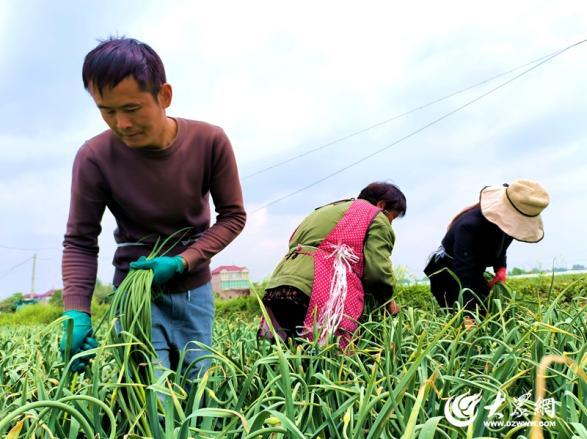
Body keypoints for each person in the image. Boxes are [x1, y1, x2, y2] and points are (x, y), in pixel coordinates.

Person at [59, 37, 246, 376]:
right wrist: (77, 311)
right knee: (150, 401)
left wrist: (181, 262)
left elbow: (233, 217)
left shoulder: (209, 141)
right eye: (107, 111)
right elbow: (79, 241)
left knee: (196, 392)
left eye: (131, 109)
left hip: (194, 291)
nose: (121, 124)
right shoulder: (94, 158)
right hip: (133, 294)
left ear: (164, 95)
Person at [258, 182, 406, 348]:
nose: (390, 224)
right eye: (392, 218)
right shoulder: (375, 216)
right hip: (318, 287)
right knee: (331, 357)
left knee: (287, 352)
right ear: (382, 205)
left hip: (281, 284)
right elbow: (377, 272)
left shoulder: (323, 211)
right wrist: (387, 299)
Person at [424, 179, 549, 314]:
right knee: (466, 318)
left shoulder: (506, 226)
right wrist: (467, 313)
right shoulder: (469, 226)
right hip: (448, 274)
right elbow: (464, 275)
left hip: (473, 271)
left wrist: (501, 268)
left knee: (493, 314)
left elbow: (502, 247)